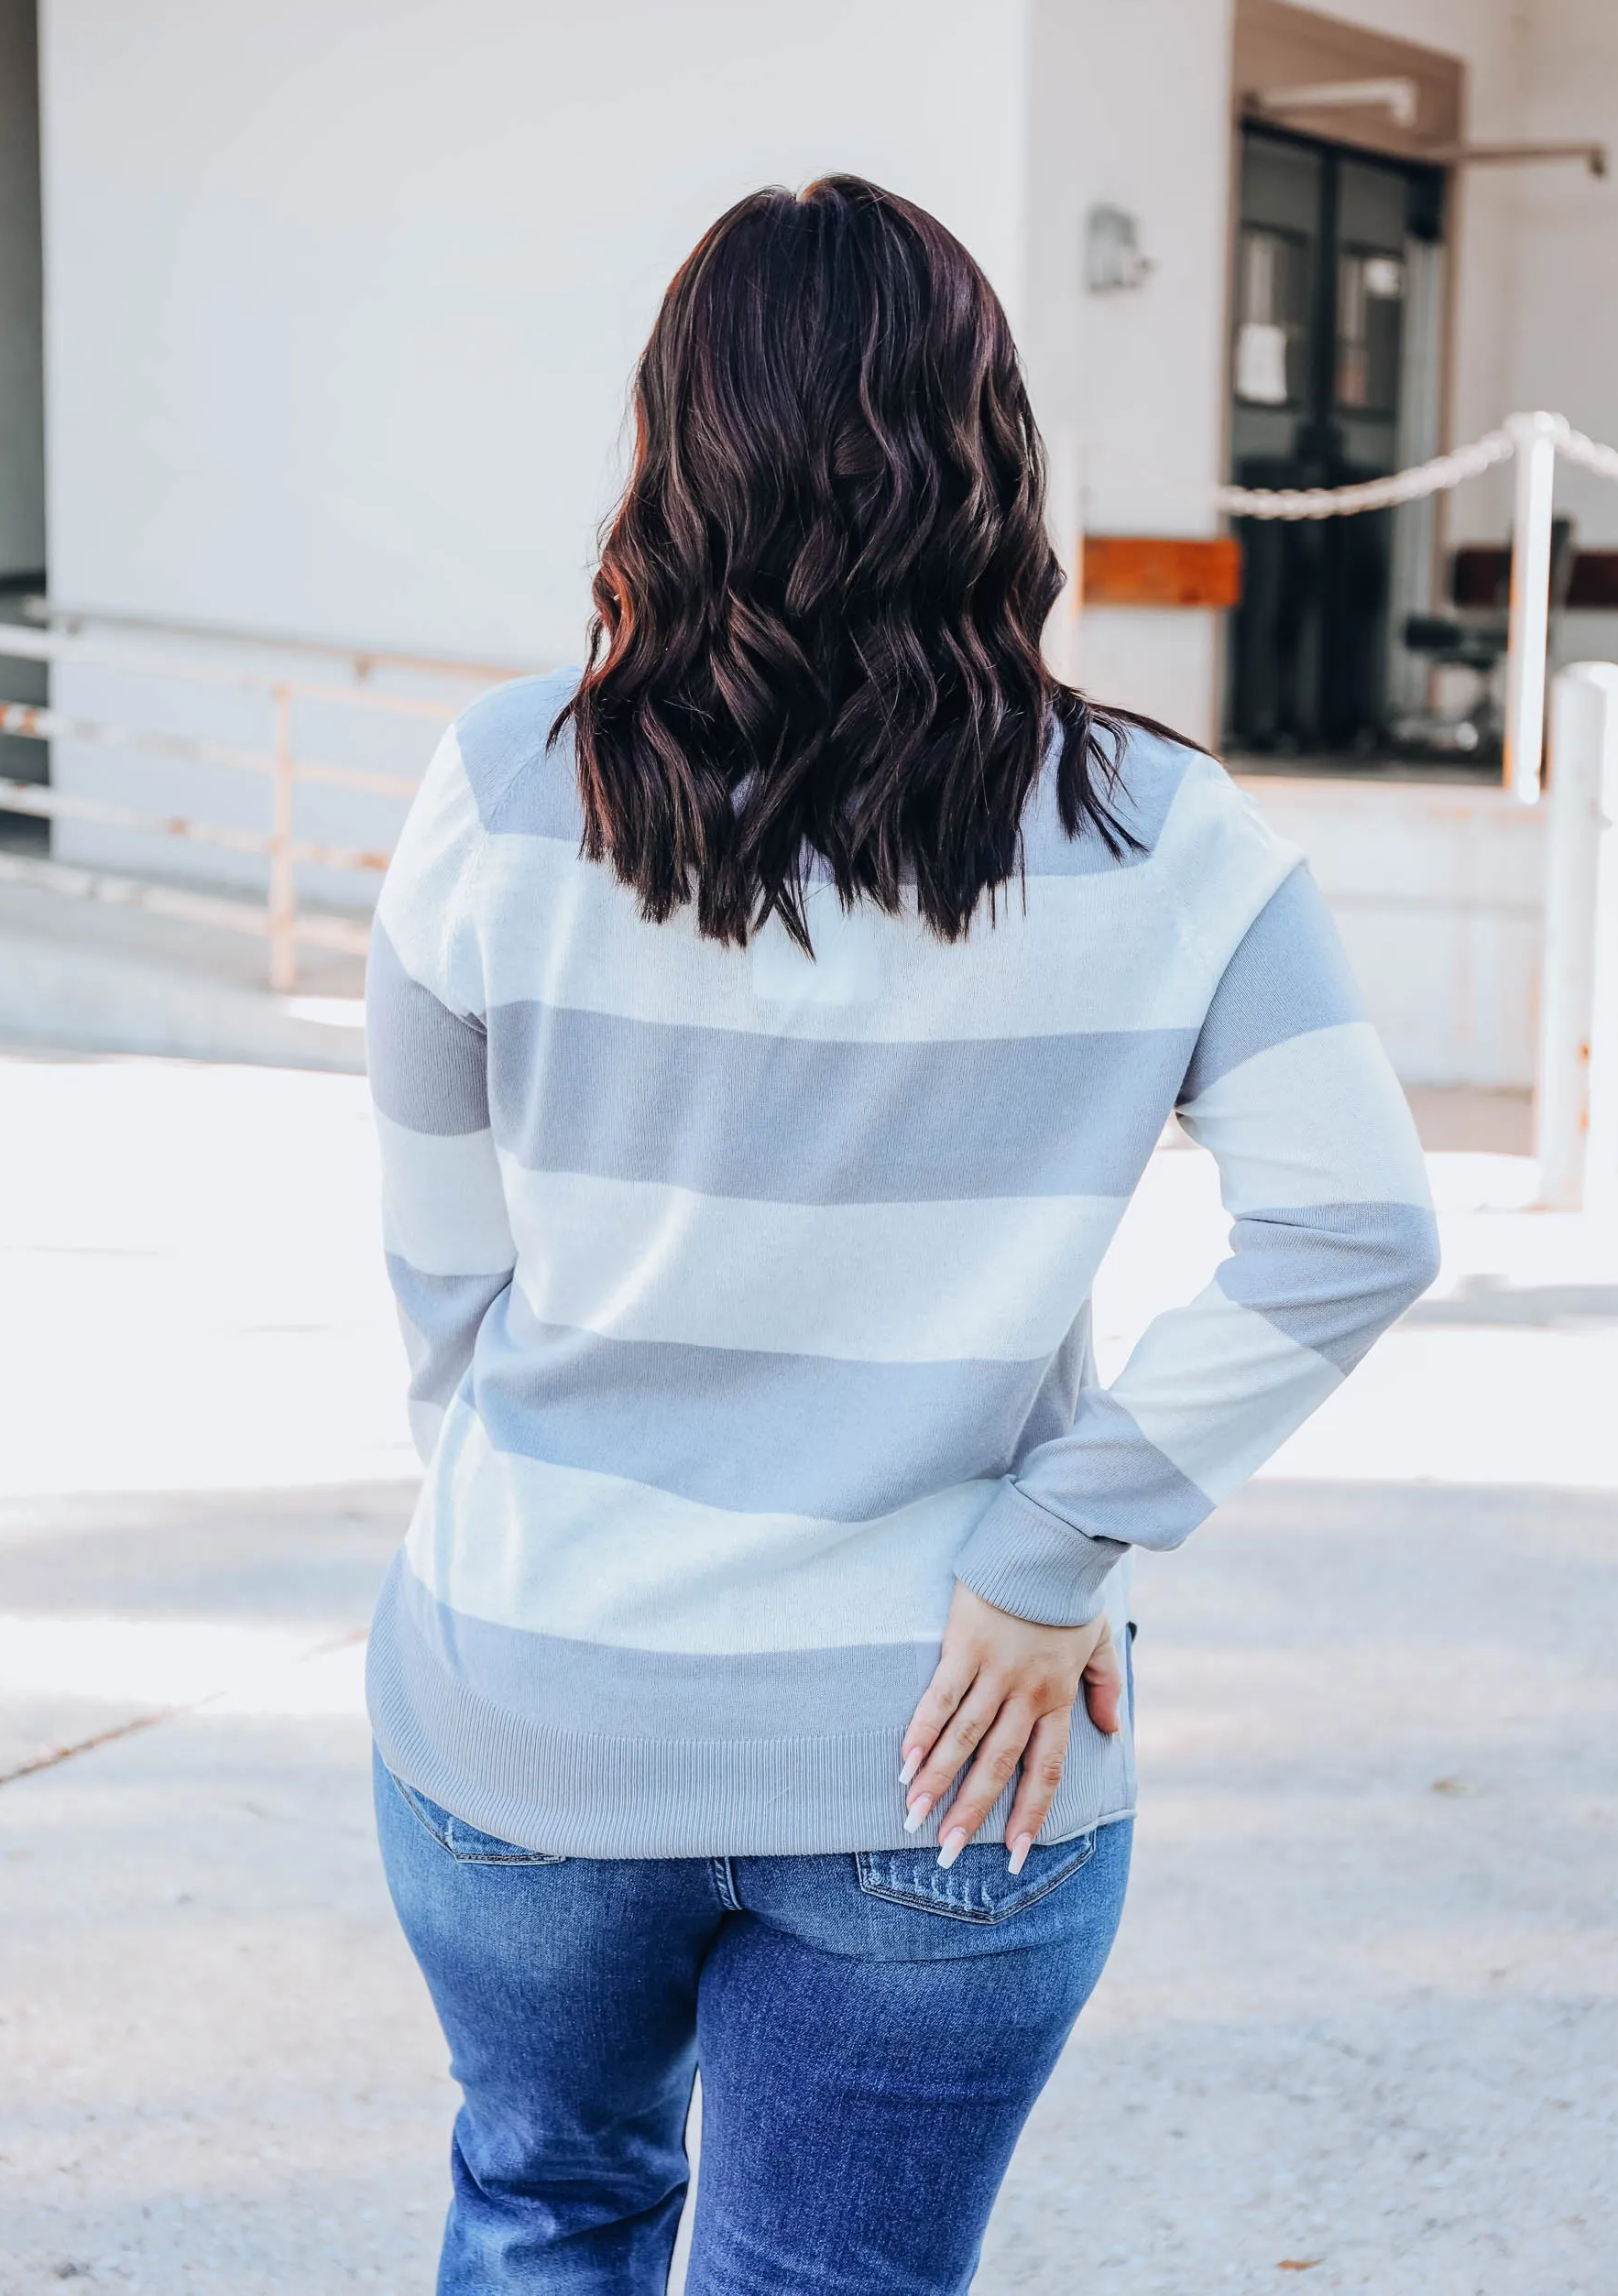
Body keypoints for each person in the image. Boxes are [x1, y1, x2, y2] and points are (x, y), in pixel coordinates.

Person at [363, 174, 1438, 2295]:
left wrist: (539, 1531)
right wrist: (1059, 1552)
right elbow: (1356, 1224)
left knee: (545, 2205)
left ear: (677, 448)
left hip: (534, 1699)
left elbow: (446, 1289)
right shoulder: (1166, 831)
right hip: (958, 1743)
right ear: (993, 455)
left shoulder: (502, 788)